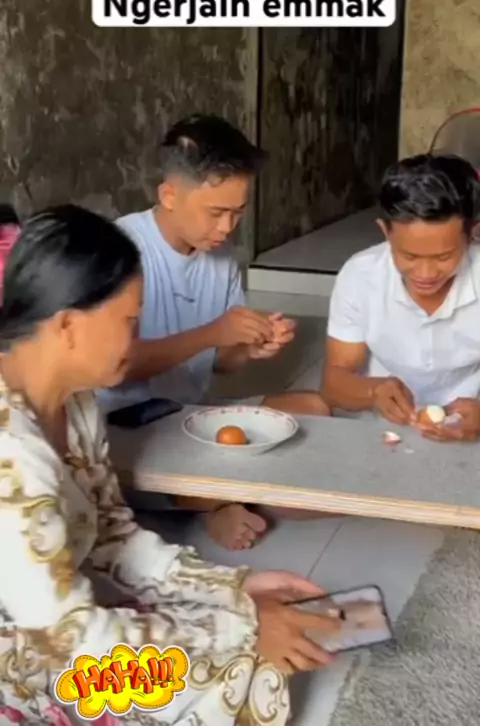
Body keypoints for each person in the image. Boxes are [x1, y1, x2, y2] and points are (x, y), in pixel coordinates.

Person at [0, 203, 340, 725]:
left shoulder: (78, 402)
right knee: (230, 668)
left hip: (61, 620)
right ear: (67, 325)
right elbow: (72, 642)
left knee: (240, 646)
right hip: (33, 652)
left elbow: (113, 535)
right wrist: (246, 629)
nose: (137, 339)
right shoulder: (11, 457)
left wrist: (235, 589)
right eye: (129, 322)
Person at [98, 115, 329, 550]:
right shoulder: (119, 250)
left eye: (237, 212)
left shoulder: (221, 258)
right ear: (169, 195)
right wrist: (212, 332)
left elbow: (220, 362)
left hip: (191, 417)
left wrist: (251, 348)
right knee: (295, 483)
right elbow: (113, 368)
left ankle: (220, 499)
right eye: (216, 213)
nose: (227, 227)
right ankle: (217, 505)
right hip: (126, 428)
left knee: (312, 408)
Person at [321, 154, 480, 442]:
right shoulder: (360, 276)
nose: (425, 273)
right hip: (385, 429)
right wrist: (372, 392)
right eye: (409, 256)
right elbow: (334, 383)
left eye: (444, 256)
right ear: (385, 231)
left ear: (471, 235)